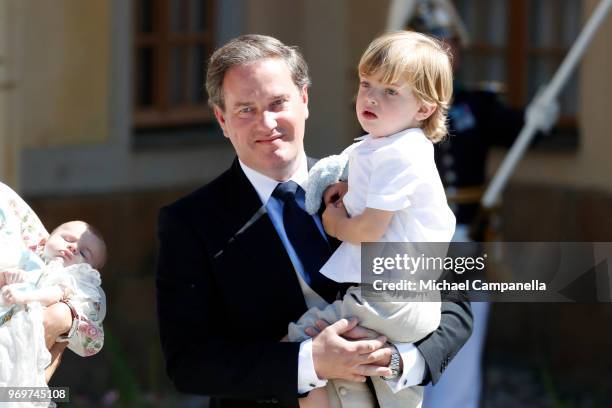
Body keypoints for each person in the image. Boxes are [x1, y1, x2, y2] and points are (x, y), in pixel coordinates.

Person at [156, 34, 473, 408]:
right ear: (222, 119)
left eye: (278, 102)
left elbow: (455, 301)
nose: (267, 122)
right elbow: (189, 363)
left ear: (304, 100)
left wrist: (403, 361)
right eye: (245, 109)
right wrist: (309, 361)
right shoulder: (189, 222)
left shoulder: (371, 179)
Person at [288, 31, 455, 408]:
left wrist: (334, 224)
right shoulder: (381, 144)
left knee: (303, 344)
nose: (371, 97)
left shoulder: (402, 152)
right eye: (366, 84)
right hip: (402, 300)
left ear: (425, 108)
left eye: (391, 91)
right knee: (379, 381)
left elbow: (368, 229)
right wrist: (344, 187)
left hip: (393, 299)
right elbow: (359, 181)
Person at [0, 182, 106, 381]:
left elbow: (66, 306)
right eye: (67, 239)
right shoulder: (34, 260)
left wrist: (60, 315)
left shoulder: (69, 277)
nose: (73, 248)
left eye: (83, 252)